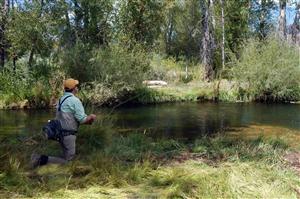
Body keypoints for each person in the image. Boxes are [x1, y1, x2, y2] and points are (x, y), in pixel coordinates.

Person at [31, 78, 96, 167]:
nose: (77, 88)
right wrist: (91, 117)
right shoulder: (75, 101)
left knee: (66, 157)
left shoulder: (61, 100)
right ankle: (40, 159)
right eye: (76, 86)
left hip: (60, 133)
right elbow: (83, 120)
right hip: (68, 135)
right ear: (74, 88)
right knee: (69, 162)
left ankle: (46, 164)